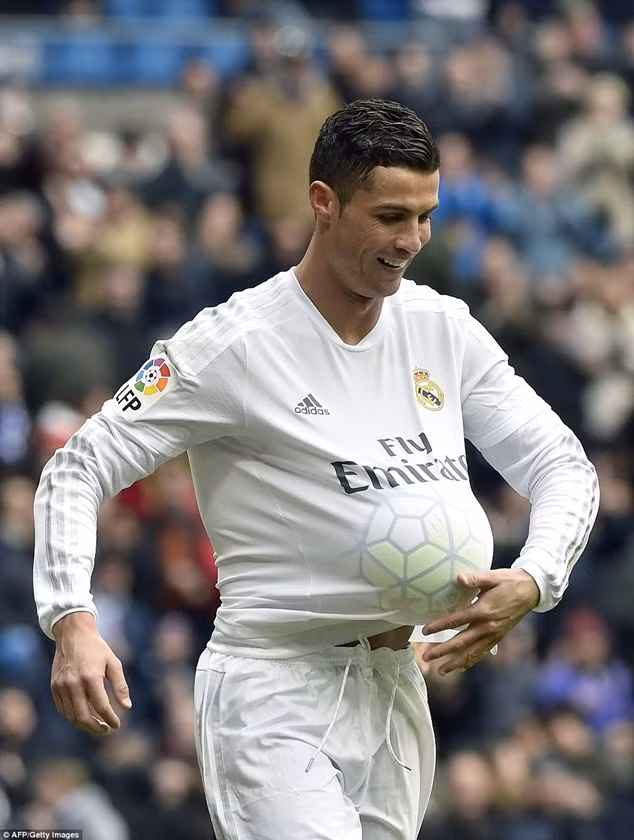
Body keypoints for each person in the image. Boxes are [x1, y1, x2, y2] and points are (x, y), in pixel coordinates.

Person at [33, 99, 599, 840]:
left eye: (425, 216)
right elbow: (78, 467)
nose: (412, 240)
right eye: (390, 217)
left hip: (396, 689)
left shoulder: (442, 327)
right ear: (323, 202)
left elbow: (562, 463)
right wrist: (71, 617)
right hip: (274, 692)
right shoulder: (232, 344)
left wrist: (536, 577)